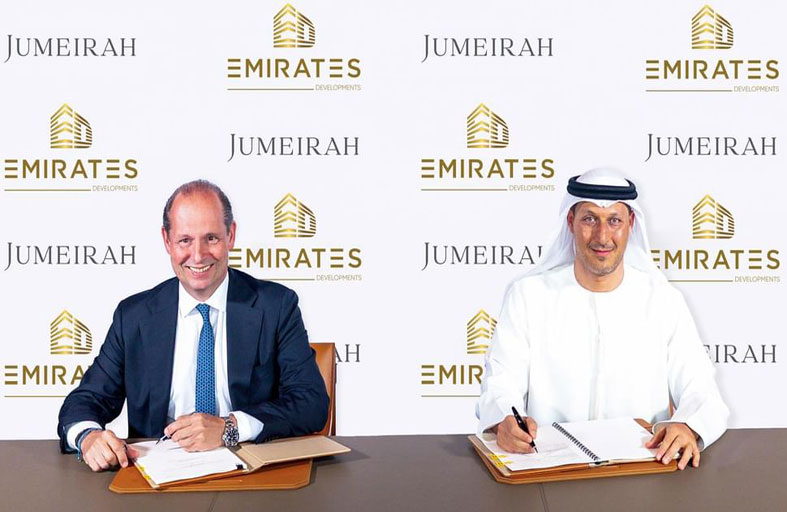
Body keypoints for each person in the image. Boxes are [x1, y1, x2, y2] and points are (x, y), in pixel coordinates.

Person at [58, 180, 329, 472]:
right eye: (185, 240)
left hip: (250, 471)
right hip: (157, 476)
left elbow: (311, 403)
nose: (198, 256)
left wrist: (229, 428)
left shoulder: (276, 306)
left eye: (211, 238)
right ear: (167, 241)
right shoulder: (134, 316)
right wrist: (88, 437)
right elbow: (86, 400)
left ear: (231, 235)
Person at [476, 168, 729, 471]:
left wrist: (688, 425)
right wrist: (504, 419)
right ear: (570, 221)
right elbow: (501, 382)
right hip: (553, 473)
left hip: (641, 474)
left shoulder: (663, 300)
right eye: (589, 219)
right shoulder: (528, 296)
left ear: (631, 224)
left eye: (614, 221)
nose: (602, 236)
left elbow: (700, 389)